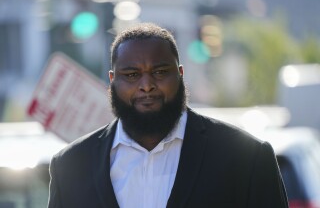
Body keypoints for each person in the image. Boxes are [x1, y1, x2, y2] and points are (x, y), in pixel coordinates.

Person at [48, 23, 288, 208]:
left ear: (180, 74)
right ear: (112, 80)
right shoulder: (70, 166)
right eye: (131, 75)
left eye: (160, 72)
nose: (146, 85)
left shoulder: (247, 158)